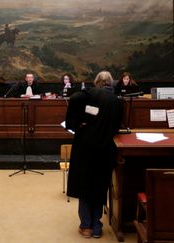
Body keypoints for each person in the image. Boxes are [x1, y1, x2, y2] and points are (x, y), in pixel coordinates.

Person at [65, 71, 122, 239]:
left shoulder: (86, 95)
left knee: (84, 186)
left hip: (85, 147)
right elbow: (116, 127)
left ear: (96, 82)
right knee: (99, 186)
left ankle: (85, 226)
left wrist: (79, 123)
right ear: (110, 83)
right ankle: (97, 226)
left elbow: (73, 107)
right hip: (105, 148)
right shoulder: (116, 101)